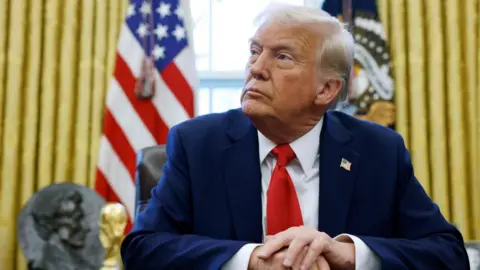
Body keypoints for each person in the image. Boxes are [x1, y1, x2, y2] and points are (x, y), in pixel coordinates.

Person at [120, 4, 469, 270]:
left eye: (282, 57)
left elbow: (448, 253)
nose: (256, 68)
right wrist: (250, 260)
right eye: (255, 51)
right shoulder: (198, 144)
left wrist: (350, 254)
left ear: (326, 89)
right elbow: (142, 248)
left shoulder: (378, 151)